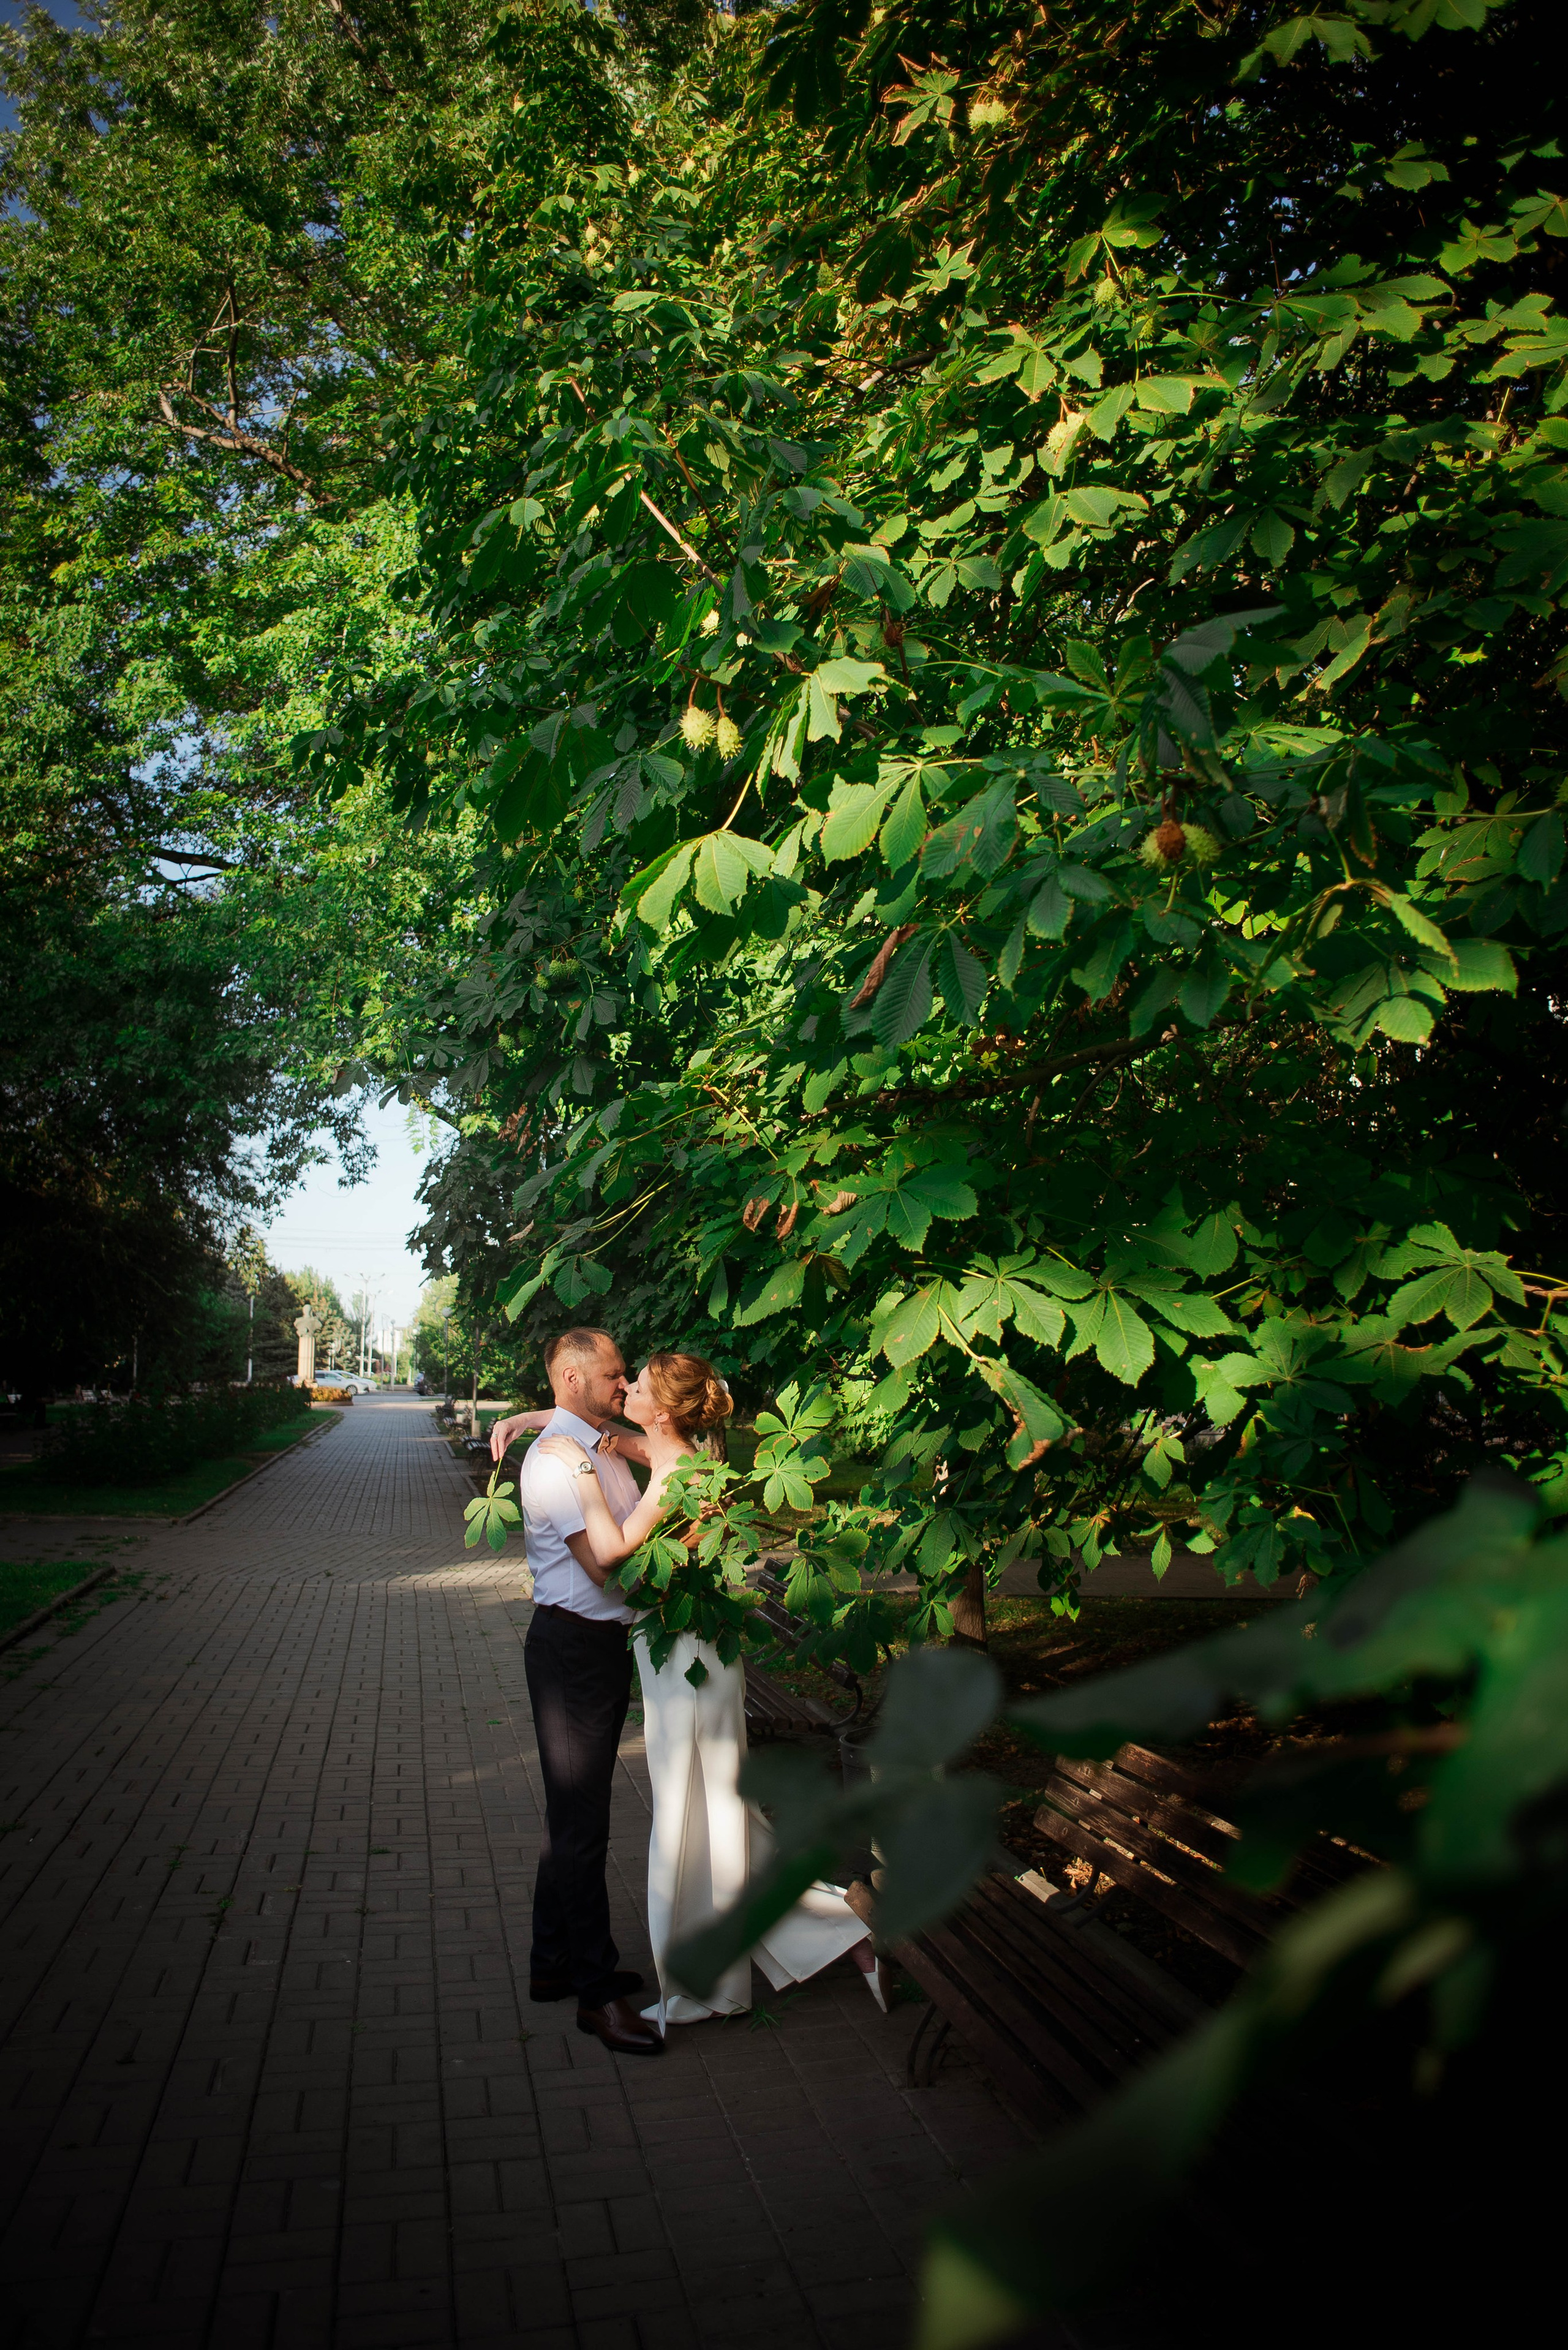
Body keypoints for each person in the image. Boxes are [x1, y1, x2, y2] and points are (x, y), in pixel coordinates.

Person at [530, 1350, 888, 2028]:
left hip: (685, 1659)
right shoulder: (679, 1460)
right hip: (687, 1658)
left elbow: (616, 1563)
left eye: (633, 1385)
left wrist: (577, 1475)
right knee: (718, 1819)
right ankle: (845, 1935)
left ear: (662, 1410)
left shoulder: (676, 1481)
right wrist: (539, 1416)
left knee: (692, 1822)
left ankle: (706, 1981)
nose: (625, 1388)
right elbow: (604, 1434)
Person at [490, 1329, 663, 2057]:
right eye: (614, 1377)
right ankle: (597, 1995)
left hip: (597, 1649)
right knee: (582, 1826)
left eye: (626, 1377)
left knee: (576, 1816)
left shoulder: (592, 1441)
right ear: (572, 1378)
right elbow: (604, 1568)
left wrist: (536, 1416)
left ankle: (551, 1965)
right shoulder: (559, 1464)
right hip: (572, 1654)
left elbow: (661, 1451)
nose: (624, 1387)